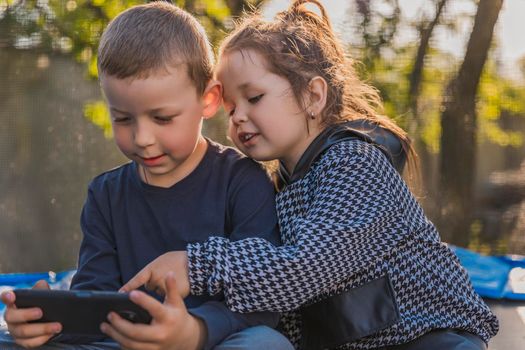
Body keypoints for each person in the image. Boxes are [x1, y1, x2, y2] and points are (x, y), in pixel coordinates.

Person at [122, 0, 499, 349]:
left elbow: (305, 266)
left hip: (433, 339)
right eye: (231, 106)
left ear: (313, 97)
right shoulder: (278, 185)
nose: (237, 116)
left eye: (253, 98)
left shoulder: (354, 163)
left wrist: (197, 265)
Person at [0, 2, 294, 350]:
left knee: (266, 343)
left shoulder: (243, 180)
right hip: (126, 342)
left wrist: (194, 331)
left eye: (162, 118)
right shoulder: (106, 194)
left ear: (209, 99)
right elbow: (94, 300)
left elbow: (263, 300)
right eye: (123, 119)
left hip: (214, 341)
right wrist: (48, 322)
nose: (142, 138)